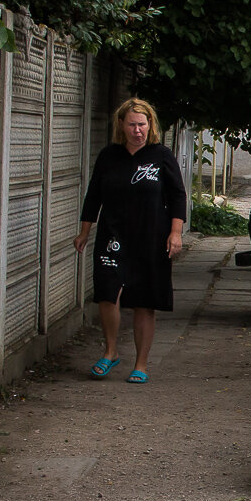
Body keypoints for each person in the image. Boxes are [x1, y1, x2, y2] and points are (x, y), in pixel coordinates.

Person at [74, 98, 187, 384]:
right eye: (132, 124)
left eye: (142, 124)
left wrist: (176, 233)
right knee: (107, 292)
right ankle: (110, 351)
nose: (137, 130)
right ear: (121, 126)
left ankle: (141, 364)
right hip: (113, 234)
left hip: (151, 236)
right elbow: (93, 196)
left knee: (144, 301)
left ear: (150, 126)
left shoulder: (161, 155)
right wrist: (85, 231)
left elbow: (177, 196)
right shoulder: (108, 157)